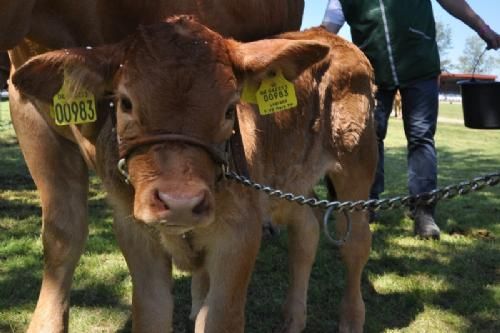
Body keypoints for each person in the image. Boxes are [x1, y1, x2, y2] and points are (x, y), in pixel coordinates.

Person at [322, 0, 500, 239]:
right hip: (374, 71)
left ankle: (423, 212)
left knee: (421, 137)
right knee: (371, 138)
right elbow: (326, 31)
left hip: (420, 66)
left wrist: (483, 28)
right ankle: (369, 204)